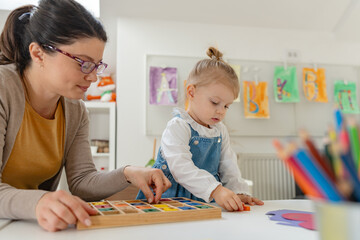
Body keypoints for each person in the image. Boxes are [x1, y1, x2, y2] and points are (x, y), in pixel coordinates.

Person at [0, 0, 171, 232]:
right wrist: (38, 202)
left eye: (96, 65)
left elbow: (82, 182)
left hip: (30, 227)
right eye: (83, 63)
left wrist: (128, 173)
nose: (93, 77)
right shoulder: (3, 87)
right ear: (38, 54)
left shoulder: (75, 108)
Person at [137, 47, 264, 211]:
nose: (221, 111)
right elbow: (181, 168)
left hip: (203, 201)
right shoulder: (178, 126)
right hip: (169, 200)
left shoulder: (220, 130)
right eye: (214, 102)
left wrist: (238, 191)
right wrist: (215, 189)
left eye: (227, 106)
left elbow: (228, 166)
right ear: (191, 92)